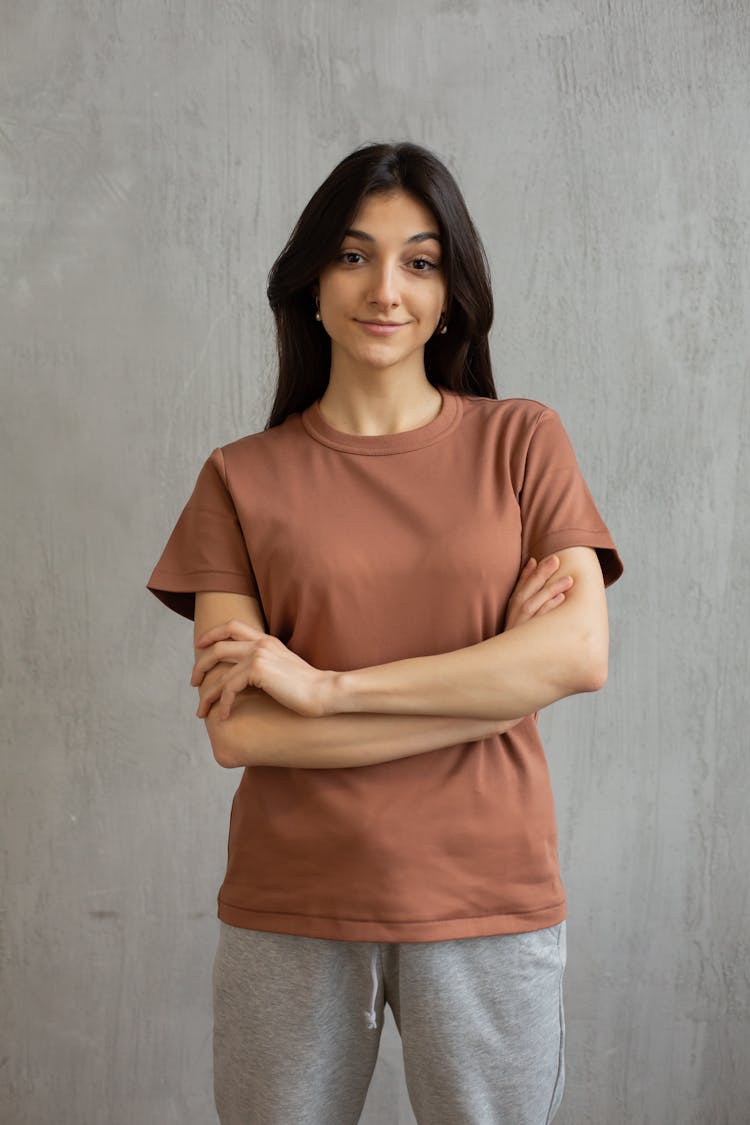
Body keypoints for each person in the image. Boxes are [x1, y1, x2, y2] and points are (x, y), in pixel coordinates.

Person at [146, 141, 623, 1125]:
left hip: (488, 899)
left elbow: (578, 654)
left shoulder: (523, 441)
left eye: (421, 259)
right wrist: (497, 682)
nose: (386, 288)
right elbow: (242, 732)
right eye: (354, 255)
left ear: (452, 293)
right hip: (293, 907)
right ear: (311, 285)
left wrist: (326, 691)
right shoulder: (239, 478)